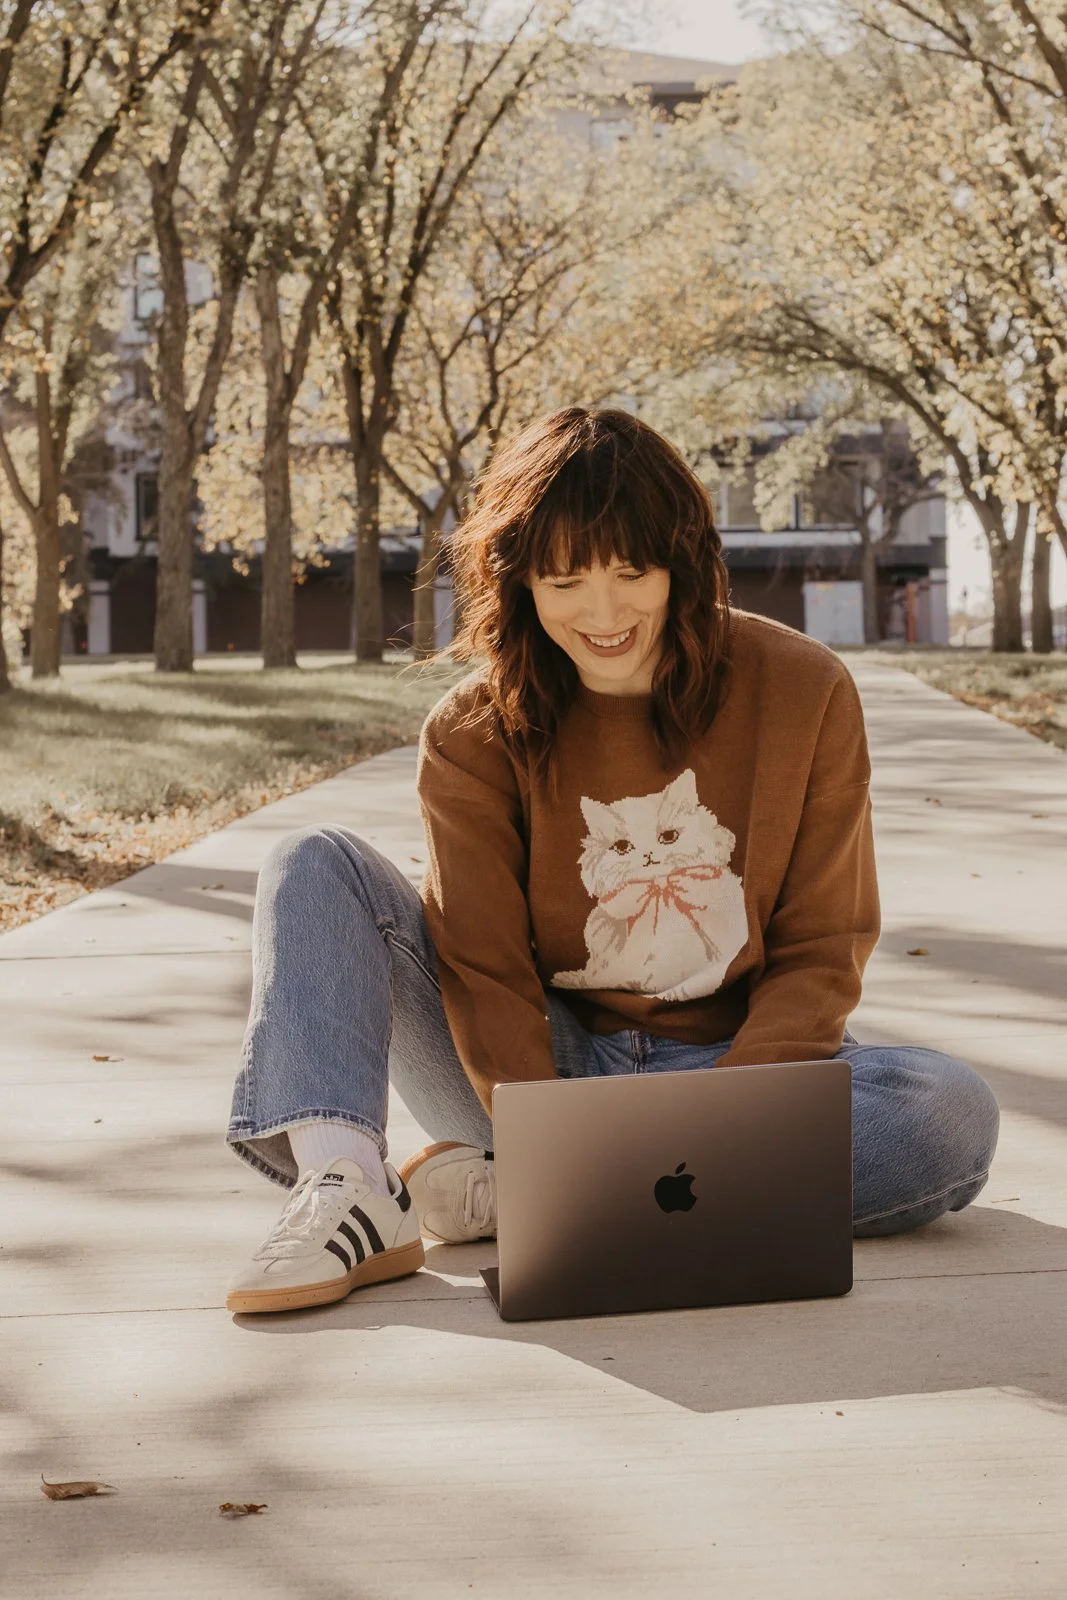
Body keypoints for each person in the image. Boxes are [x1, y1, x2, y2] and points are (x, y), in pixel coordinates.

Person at [224, 407, 999, 1315]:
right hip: (532, 1076)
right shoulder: (472, 731)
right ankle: (352, 1187)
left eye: (632, 572)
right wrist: (548, 1133)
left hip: (733, 1068)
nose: (602, 613)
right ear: (516, 586)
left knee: (946, 1111)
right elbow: (483, 967)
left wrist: (731, 1120)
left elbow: (823, 944)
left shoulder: (802, 689)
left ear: (682, 561)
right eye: (564, 580)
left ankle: (516, 1196)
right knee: (313, 860)